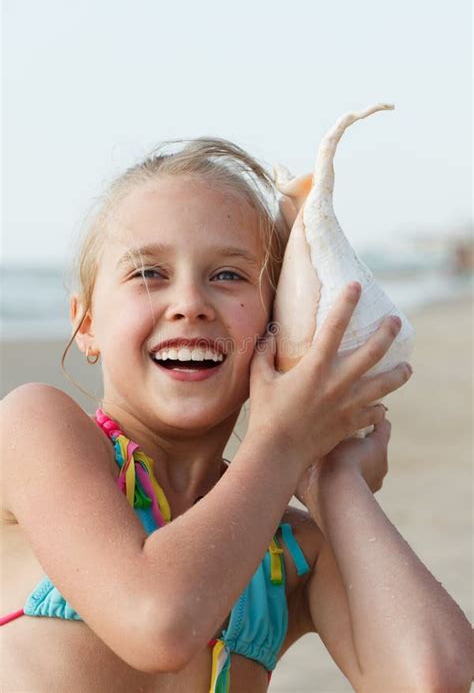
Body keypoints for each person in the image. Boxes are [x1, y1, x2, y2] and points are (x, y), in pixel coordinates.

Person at [1, 138, 471, 693]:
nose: (190, 302)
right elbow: (158, 624)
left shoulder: (285, 551)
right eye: (149, 272)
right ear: (86, 325)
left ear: (275, 324)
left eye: (228, 276)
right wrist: (283, 443)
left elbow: (431, 676)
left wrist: (333, 479)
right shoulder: (37, 427)